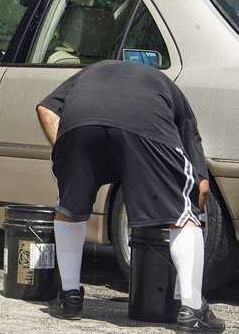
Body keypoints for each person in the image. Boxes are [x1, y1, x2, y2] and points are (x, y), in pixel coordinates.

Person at [36, 60, 225, 332]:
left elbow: (45, 108)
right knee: (182, 214)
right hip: (144, 124)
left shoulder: (90, 72)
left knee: (68, 208)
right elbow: (190, 139)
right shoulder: (166, 86)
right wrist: (197, 182)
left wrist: (64, 151)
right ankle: (194, 310)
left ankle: (69, 298)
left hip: (79, 125)